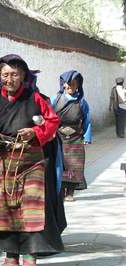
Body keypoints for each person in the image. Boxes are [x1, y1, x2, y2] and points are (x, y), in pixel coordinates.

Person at [0, 54, 65, 266]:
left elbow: (53, 121)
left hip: (30, 159)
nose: (10, 79)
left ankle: (30, 256)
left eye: (15, 74)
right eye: (5, 74)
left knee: (32, 207)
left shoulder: (34, 98)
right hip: (1, 159)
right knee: (4, 208)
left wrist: (35, 132)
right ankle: (11, 256)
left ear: (23, 76)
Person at [51, 70, 92, 201]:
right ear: (63, 84)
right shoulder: (55, 99)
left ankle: (70, 192)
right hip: (58, 136)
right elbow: (49, 117)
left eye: (74, 84)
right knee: (61, 164)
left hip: (75, 138)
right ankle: (61, 190)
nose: (70, 86)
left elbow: (87, 120)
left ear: (78, 86)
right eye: (68, 84)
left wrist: (87, 136)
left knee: (75, 165)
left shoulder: (81, 102)